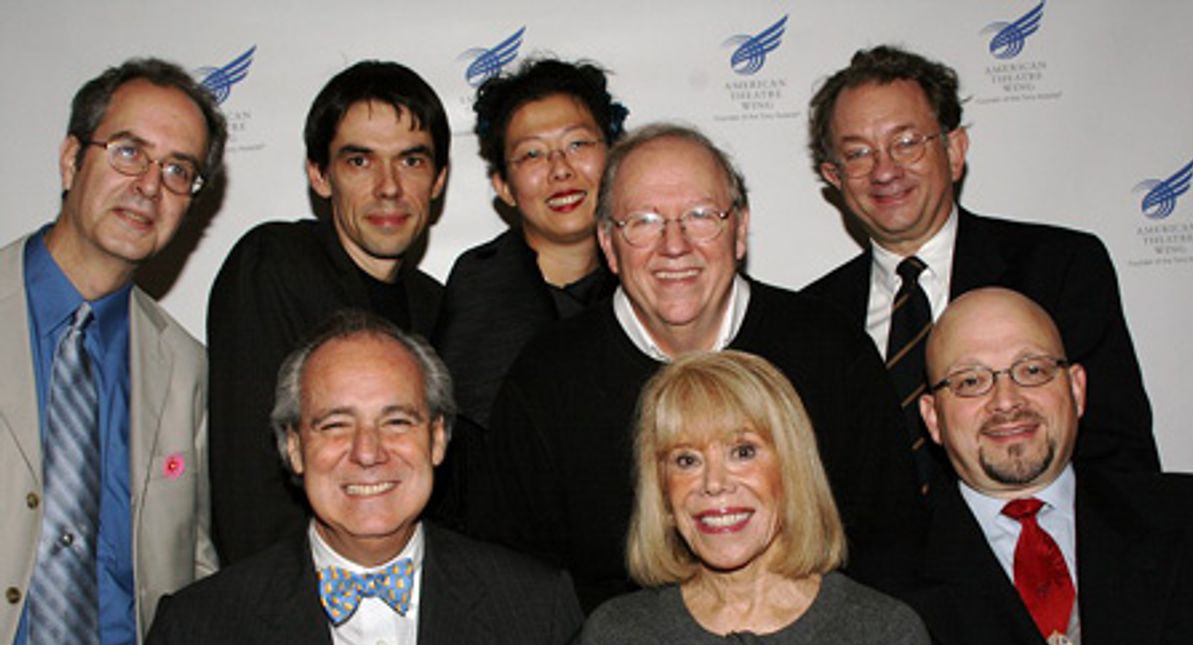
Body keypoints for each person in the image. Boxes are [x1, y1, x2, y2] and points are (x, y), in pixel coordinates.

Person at [137, 311, 581, 645]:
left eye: (396, 421)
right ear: (294, 447)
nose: (368, 452)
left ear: (437, 438)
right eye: (334, 425)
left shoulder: (536, 612)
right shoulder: (198, 634)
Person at [486, 123, 924, 611]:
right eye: (645, 221)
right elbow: (523, 592)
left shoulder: (831, 350)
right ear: (608, 244)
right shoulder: (545, 382)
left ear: (739, 230)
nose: (675, 245)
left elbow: (892, 551)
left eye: (700, 216)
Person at [577, 350, 948, 645]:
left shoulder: (885, 636)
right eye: (686, 460)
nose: (714, 483)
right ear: (662, 493)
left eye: (743, 451)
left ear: (791, 470)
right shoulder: (620, 639)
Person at [0, 58, 223, 645]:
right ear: (72, 158)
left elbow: (194, 562)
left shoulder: (184, 366)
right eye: (128, 151)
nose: (149, 185)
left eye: (177, 169)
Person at [802, 44, 1158, 484]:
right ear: (834, 177)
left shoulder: (1058, 269)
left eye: (907, 143)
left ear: (954, 150)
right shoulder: (812, 317)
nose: (884, 170)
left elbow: (1119, 455)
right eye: (858, 154)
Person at [909, 287, 1193, 645]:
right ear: (932, 417)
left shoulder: (1186, 520)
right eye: (972, 381)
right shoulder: (882, 582)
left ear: (1078, 388)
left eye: (1033, 370)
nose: (1006, 401)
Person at [208, 61, 449, 565]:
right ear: (320, 175)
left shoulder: (438, 305)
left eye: (411, 161)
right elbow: (252, 483)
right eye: (360, 161)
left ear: (439, 180)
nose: (389, 187)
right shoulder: (275, 264)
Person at [430, 57, 626, 527]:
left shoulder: (655, 278)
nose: (560, 170)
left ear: (616, 156)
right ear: (504, 186)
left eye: (578, 144)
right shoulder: (483, 287)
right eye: (532, 155)